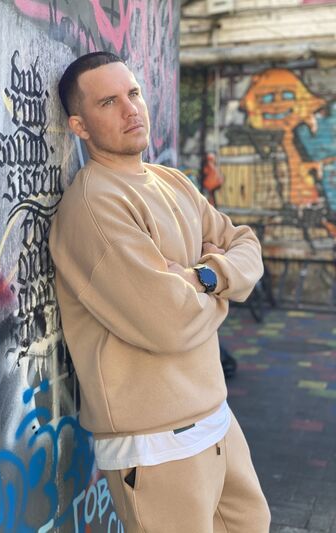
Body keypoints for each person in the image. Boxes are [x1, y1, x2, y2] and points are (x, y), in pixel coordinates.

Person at [49, 51, 271, 533]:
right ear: (79, 126)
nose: (131, 109)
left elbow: (247, 246)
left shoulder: (172, 182)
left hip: (217, 418)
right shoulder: (94, 205)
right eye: (108, 102)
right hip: (156, 444)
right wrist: (222, 288)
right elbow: (169, 322)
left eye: (133, 93)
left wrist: (203, 278)